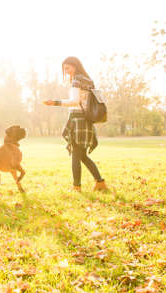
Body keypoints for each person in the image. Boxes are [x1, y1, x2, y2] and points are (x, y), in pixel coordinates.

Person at [43, 56, 108, 192]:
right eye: (64, 69)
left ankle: (76, 187)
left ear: (75, 66)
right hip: (85, 118)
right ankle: (100, 182)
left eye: (68, 68)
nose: (66, 71)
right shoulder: (88, 80)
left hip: (78, 119)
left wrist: (55, 102)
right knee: (82, 155)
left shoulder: (76, 81)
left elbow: (74, 101)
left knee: (76, 156)